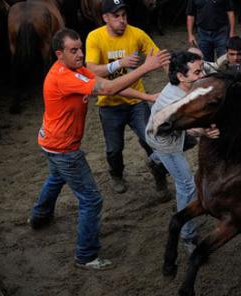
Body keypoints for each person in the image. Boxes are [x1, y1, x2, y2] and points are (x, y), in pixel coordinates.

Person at [29, 28, 170, 270]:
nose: (80, 54)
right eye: (73, 51)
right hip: (64, 149)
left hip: (49, 142)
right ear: (59, 54)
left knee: (55, 178)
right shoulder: (63, 76)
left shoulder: (76, 69)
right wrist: (146, 68)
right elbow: (105, 91)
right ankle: (86, 256)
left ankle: (39, 217)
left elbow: (107, 83)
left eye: (81, 48)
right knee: (91, 200)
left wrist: (146, 98)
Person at [85, 0, 171, 199]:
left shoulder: (137, 33)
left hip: (136, 102)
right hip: (109, 104)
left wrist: (171, 77)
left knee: (151, 141)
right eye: (116, 16)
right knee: (114, 149)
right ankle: (116, 174)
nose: (122, 20)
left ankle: (160, 178)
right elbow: (90, 70)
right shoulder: (94, 37)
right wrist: (119, 64)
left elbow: (160, 56)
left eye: (124, 15)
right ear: (105, 18)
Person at [146, 51, 219, 254]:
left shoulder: (191, 84)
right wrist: (204, 131)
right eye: (197, 71)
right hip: (164, 141)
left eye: (202, 69)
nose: (202, 74)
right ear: (181, 76)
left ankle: (155, 161)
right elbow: (186, 128)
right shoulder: (173, 101)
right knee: (187, 185)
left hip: (174, 134)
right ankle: (187, 235)